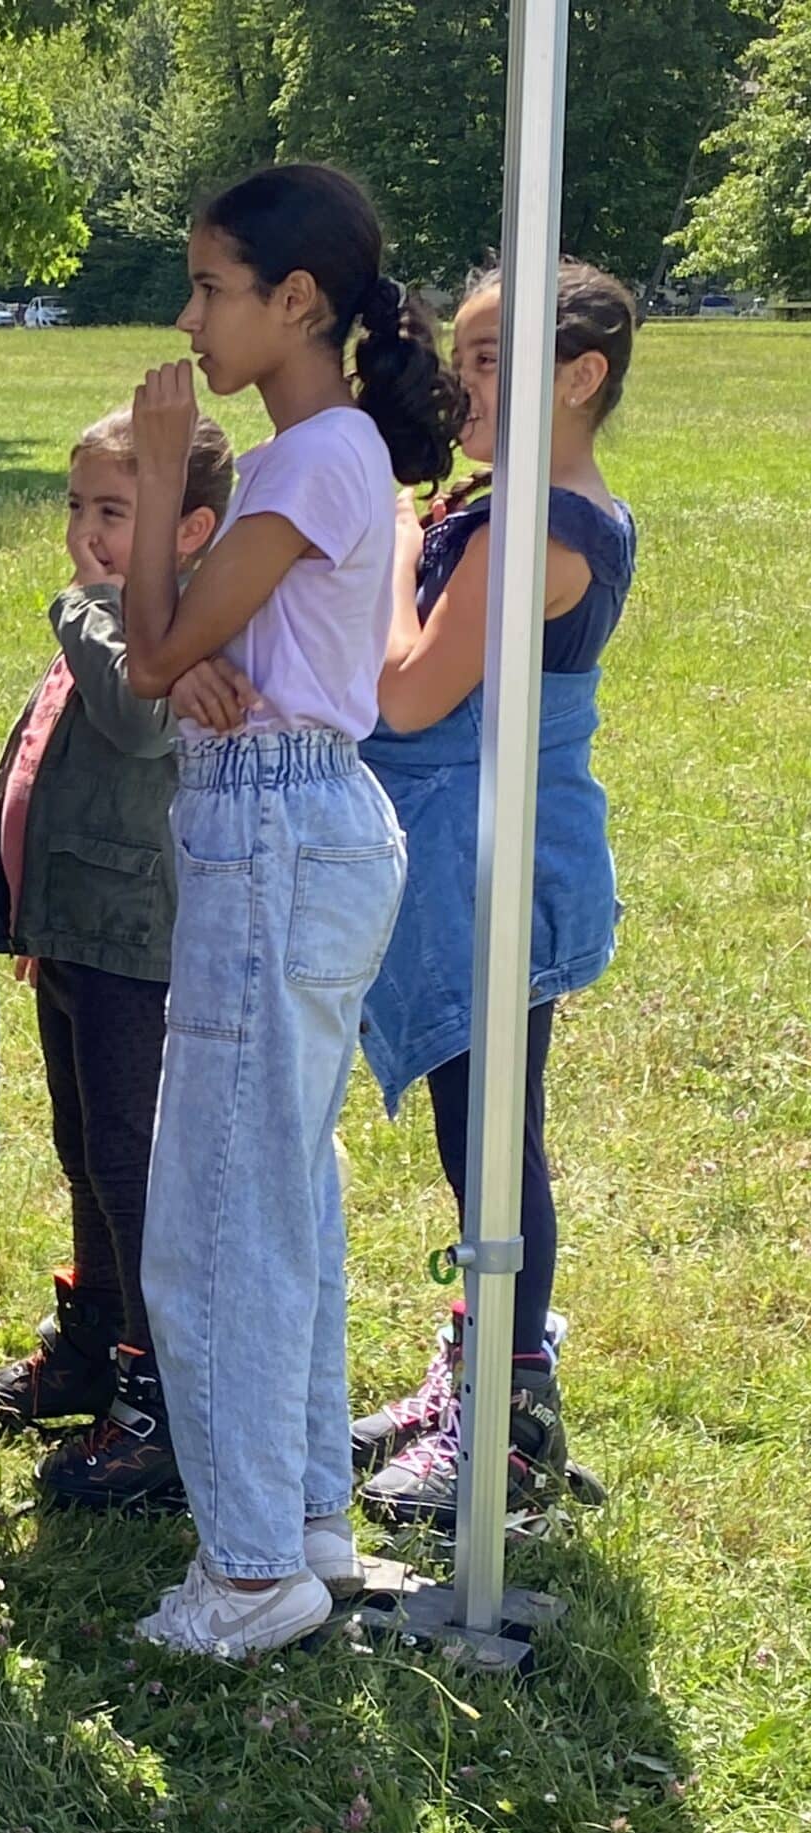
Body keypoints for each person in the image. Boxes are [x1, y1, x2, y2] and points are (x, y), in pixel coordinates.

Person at [113, 162, 456, 1657]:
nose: (191, 320)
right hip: (296, 819)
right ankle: (305, 1516)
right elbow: (195, 656)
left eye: (212, 288)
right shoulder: (330, 459)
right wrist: (188, 652)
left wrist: (158, 475)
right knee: (280, 1194)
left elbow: (147, 651)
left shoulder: (309, 457)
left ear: (297, 300)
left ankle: (250, 1570)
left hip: (277, 836)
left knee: (215, 1225)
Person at [349, 261, 639, 1527]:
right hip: (478, 840)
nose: (460, 384)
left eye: (488, 362)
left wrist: (396, 534)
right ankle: (475, 1365)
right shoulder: (510, 504)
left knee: (491, 1139)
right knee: (482, 1128)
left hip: (501, 853)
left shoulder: (546, 527)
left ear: (578, 378)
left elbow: (406, 690)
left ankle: (509, 1419)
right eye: (463, 357)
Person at [0, 404, 237, 1512]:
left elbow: (135, 722)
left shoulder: (167, 630)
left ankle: (155, 1395)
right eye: (79, 506)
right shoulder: (122, 615)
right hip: (74, 928)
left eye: (115, 511)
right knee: (83, 1144)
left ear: (192, 528)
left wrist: (86, 602)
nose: (87, 530)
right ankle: (90, 1337)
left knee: (130, 1156)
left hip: (135, 942)